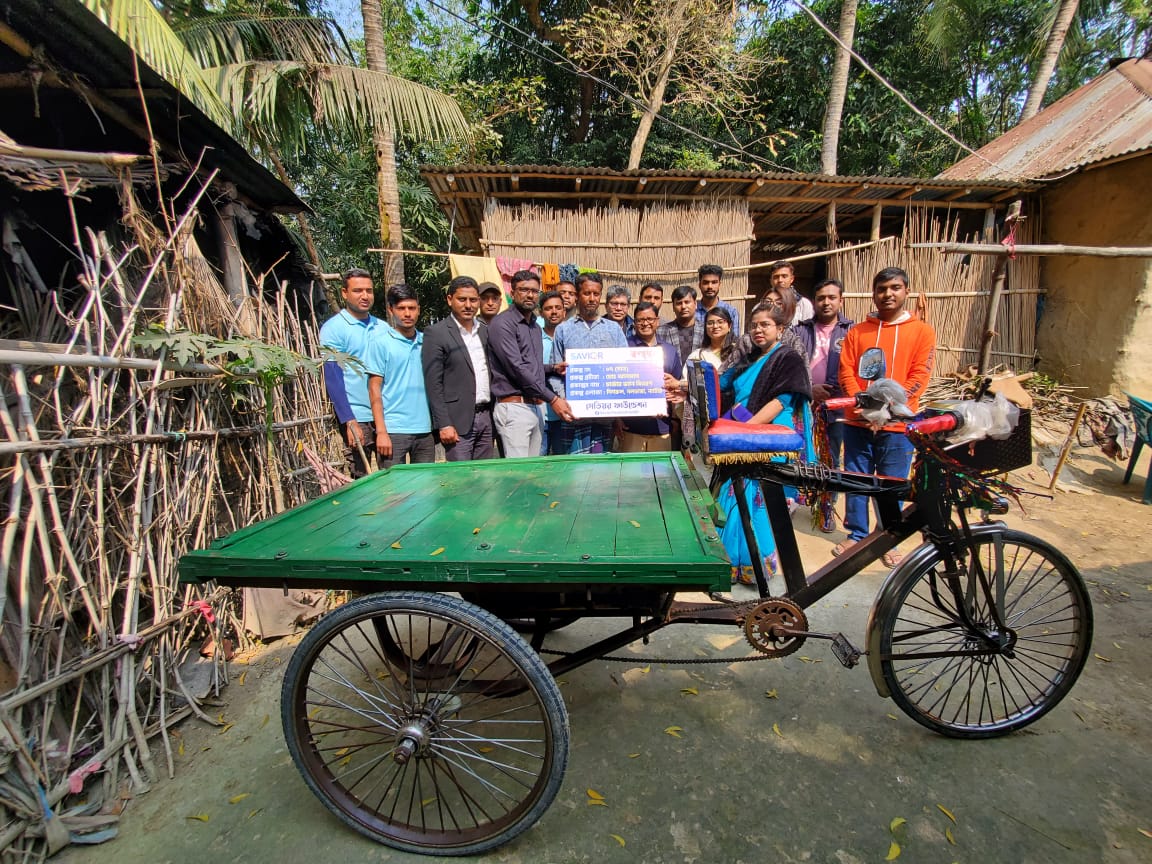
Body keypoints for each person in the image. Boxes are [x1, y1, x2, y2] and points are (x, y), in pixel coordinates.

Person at [834, 267, 936, 565]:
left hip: (897, 423)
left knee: (892, 480)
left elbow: (920, 374)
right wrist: (865, 406)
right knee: (856, 478)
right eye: (881, 289)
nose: (888, 294)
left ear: (906, 291)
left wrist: (889, 409)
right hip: (858, 420)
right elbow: (846, 370)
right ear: (873, 293)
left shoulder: (921, 332)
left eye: (895, 288)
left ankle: (888, 537)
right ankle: (856, 534)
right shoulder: (858, 332)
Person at [715, 303, 814, 585]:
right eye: (754, 325)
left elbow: (780, 401)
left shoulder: (788, 358)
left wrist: (746, 431)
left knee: (757, 499)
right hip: (745, 432)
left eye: (765, 325)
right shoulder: (750, 358)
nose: (758, 330)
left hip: (768, 436)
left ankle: (755, 566)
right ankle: (733, 564)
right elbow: (722, 384)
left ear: (780, 329)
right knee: (735, 495)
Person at [487, 270, 575, 457]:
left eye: (534, 291)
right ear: (512, 293)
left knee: (534, 473)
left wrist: (552, 368)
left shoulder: (534, 327)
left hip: (536, 407)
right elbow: (517, 368)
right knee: (519, 475)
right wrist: (553, 399)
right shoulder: (502, 324)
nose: (530, 295)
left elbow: (531, 366)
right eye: (524, 290)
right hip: (514, 407)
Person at [794, 278, 854, 531]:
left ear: (840, 300)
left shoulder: (851, 332)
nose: (826, 302)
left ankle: (827, 507)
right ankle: (800, 500)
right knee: (802, 454)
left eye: (832, 297)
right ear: (814, 301)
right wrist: (810, 389)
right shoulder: (801, 331)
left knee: (830, 456)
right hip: (804, 402)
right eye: (821, 298)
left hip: (836, 405)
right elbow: (794, 365)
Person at [319, 268, 385, 477]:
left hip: (385, 415)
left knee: (392, 478)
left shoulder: (382, 327)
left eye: (369, 290)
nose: (365, 296)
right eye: (358, 291)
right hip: (358, 415)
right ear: (344, 293)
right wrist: (349, 419)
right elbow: (333, 376)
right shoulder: (334, 328)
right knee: (360, 478)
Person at [552, 272, 628, 454]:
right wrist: (565, 400)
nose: (592, 298)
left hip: (605, 418)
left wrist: (619, 409)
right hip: (574, 417)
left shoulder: (613, 329)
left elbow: (625, 370)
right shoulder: (563, 330)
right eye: (587, 293)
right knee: (574, 474)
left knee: (602, 474)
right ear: (578, 295)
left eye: (596, 294)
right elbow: (555, 371)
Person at [421, 275, 494, 462]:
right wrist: (444, 423)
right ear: (449, 299)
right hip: (457, 422)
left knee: (485, 478)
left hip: (486, 417)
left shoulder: (485, 331)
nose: (468, 305)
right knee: (461, 481)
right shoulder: (436, 333)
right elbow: (433, 384)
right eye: (462, 299)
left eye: (473, 300)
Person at [364, 284, 435, 469]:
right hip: (394, 430)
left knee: (427, 489)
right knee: (394, 493)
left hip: (425, 430)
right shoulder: (380, 343)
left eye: (411, 308)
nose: (407, 314)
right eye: (401, 308)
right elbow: (374, 388)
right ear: (391, 310)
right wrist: (381, 432)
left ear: (418, 309)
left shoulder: (427, 342)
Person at [618, 302, 683, 452]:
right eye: (640, 320)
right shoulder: (624, 348)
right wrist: (617, 419)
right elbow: (616, 385)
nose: (645, 323)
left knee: (661, 474)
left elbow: (676, 388)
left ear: (657, 321)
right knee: (631, 474)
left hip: (661, 427)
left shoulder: (669, 350)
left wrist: (673, 419)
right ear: (634, 323)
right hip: (631, 427)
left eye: (650, 319)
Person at [538, 290, 567, 454]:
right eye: (549, 308)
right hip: (539, 413)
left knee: (563, 469)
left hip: (565, 415)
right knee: (537, 468)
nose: (554, 312)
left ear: (564, 311)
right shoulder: (533, 336)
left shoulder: (571, 336)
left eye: (558, 307)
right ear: (541, 312)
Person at [658, 285, 705, 373]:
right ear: (673, 307)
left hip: (700, 382)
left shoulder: (706, 331)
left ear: (695, 304)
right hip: (670, 382)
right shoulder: (661, 331)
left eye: (687, 302)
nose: (683, 306)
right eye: (679, 303)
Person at [695, 264, 741, 335]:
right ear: (699, 285)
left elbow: (734, 340)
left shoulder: (731, 311)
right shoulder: (692, 311)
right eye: (706, 282)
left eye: (714, 282)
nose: (710, 286)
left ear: (719, 284)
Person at [766, 260, 814, 325]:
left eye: (784, 276)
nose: (780, 280)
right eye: (776, 277)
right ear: (771, 280)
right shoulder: (761, 305)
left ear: (792, 279)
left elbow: (808, 331)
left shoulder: (803, 304)